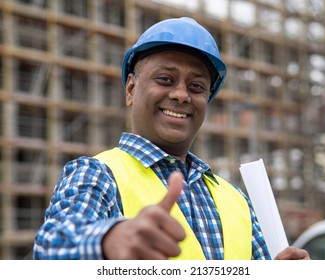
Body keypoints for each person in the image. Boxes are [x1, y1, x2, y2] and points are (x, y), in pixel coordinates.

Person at [33, 17, 309, 260]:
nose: (181, 94)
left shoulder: (235, 199)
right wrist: (110, 239)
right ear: (131, 89)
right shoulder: (97, 175)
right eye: (165, 79)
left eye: (196, 86)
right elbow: (51, 249)